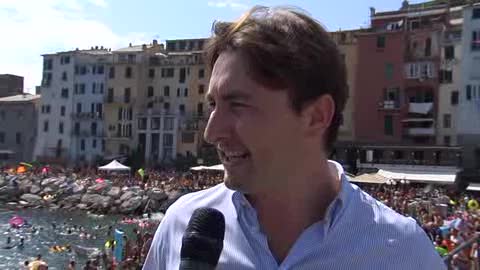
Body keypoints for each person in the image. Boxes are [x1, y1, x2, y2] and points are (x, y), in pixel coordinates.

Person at [143, 5, 446, 270]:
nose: (211, 133)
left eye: (238, 104)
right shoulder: (181, 226)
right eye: (213, 104)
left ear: (316, 116)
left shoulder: (403, 252)